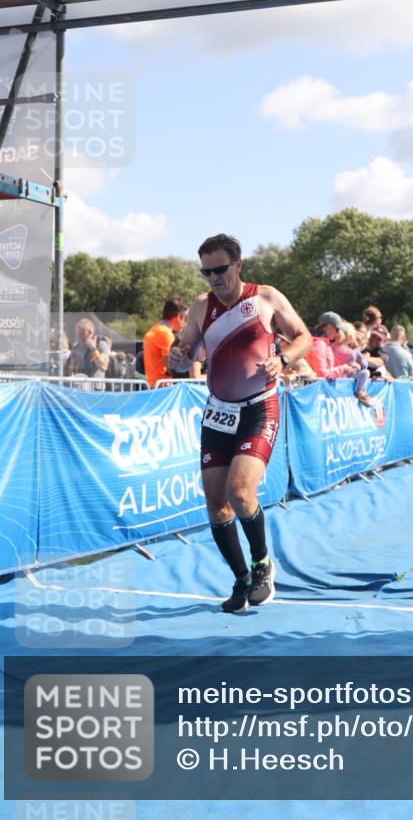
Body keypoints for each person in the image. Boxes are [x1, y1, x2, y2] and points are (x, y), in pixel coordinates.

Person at [169, 234, 311, 614]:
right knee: (217, 506)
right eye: (206, 272)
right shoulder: (201, 307)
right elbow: (184, 353)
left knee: (240, 493)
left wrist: (283, 359)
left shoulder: (265, 297)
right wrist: (178, 358)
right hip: (218, 412)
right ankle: (241, 578)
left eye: (220, 269)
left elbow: (304, 336)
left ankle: (262, 563)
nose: (213, 278)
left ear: (238, 265)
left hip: (258, 408)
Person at [143, 296, 189, 389]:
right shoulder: (165, 334)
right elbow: (172, 368)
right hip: (163, 387)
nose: (184, 323)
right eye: (185, 318)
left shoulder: (155, 329)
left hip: (153, 385)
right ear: (179, 317)